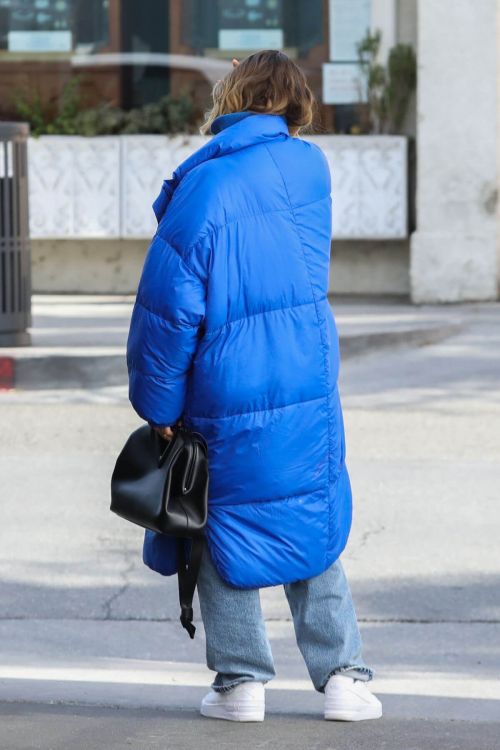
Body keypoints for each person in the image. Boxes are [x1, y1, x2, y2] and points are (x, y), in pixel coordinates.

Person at [126, 50, 382, 723]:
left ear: (233, 96)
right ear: (295, 102)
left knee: (222, 520)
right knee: (309, 509)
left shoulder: (206, 185)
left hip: (226, 380)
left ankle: (241, 682)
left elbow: (168, 308)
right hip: (304, 371)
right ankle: (344, 681)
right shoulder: (310, 169)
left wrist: (157, 406)